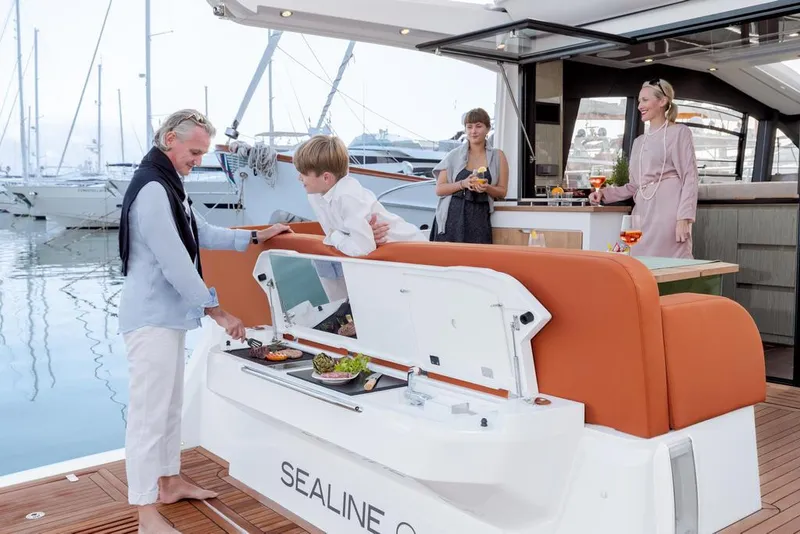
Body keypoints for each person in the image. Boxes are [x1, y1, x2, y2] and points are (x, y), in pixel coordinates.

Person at [118, 109, 290, 533]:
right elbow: (175, 262)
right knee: (148, 415)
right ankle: (145, 515)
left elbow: (202, 232)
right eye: (194, 152)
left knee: (169, 407)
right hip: (150, 318)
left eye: (201, 154)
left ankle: (169, 482)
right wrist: (217, 310)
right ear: (169, 140)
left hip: (167, 317)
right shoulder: (153, 189)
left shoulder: (168, 184)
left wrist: (255, 236)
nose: (198, 161)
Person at [589, 79, 699, 258]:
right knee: (641, 263)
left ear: (662, 101)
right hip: (642, 214)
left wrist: (684, 218)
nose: (640, 105)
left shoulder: (680, 132)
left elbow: (690, 177)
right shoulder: (639, 142)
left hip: (669, 214)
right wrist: (604, 194)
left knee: (673, 263)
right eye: (639, 100)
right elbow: (635, 185)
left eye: (645, 100)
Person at [295, 134, 426, 257]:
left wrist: (337, 236)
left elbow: (362, 249)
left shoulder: (347, 196)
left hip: (414, 250)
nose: (299, 178)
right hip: (392, 256)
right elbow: (332, 234)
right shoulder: (315, 196)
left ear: (326, 178)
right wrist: (349, 237)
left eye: (304, 173)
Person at [428, 107, 508, 243]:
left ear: (488, 129)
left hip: (480, 219)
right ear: (465, 130)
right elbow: (439, 189)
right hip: (451, 219)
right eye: (469, 127)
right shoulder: (453, 155)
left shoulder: (498, 156)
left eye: (478, 126)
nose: (473, 131)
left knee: (479, 255)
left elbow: (502, 192)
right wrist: (463, 184)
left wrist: (487, 188)